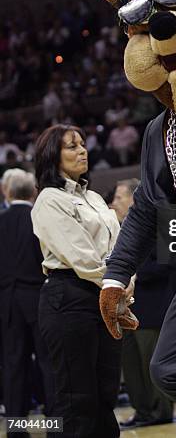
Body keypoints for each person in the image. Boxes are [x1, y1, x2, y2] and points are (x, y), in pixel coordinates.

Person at [31, 124, 132, 438]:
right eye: (72, 146)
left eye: (83, 144)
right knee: (77, 400)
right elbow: (81, 256)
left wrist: (125, 284)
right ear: (53, 156)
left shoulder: (96, 199)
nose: (82, 151)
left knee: (105, 394)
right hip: (68, 298)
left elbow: (121, 247)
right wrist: (117, 283)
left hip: (105, 298)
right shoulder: (49, 199)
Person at [112, 179, 176, 429]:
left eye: (119, 197)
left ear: (134, 199)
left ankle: (160, 411)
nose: (114, 202)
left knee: (151, 363)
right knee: (131, 366)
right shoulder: (120, 228)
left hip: (153, 306)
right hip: (127, 308)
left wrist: (133, 274)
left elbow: (168, 263)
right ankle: (141, 410)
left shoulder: (160, 224)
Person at [0, 170, 53, 437]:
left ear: (6, 192)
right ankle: (56, 426)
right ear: (33, 192)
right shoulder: (39, 218)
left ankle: (17, 430)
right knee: (48, 364)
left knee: (13, 366)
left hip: (8, 305)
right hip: (39, 299)